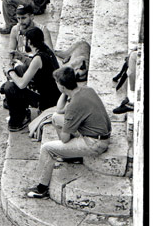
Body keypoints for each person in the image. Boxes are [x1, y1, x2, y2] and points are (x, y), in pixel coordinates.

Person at [26, 66, 111, 198]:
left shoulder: (73, 105)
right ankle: (70, 154)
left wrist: (66, 134)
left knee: (47, 148)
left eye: (57, 83)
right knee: (55, 117)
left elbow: (65, 138)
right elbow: (59, 111)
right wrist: (65, 92)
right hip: (101, 134)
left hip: (95, 143)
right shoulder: (87, 89)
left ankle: (42, 188)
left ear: (62, 86)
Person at [1, 26, 60, 132]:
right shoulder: (46, 50)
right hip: (54, 94)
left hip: (47, 101)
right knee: (20, 69)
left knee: (9, 87)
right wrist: (22, 58)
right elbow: (36, 66)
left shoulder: (38, 58)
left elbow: (22, 84)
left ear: (29, 41)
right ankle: (20, 108)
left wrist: (10, 71)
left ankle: (18, 121)